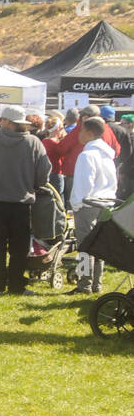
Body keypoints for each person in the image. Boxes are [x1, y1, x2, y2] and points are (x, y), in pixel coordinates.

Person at [0, 106, 52, 296]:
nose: (0, 122)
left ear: (8, 122)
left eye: (2, 119)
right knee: (19, 248)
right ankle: (16, 285)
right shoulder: (34, 142)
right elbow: (44, 171)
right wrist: (35, 186)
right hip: (22, 203)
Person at [69, 116, 120, 294]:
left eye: (82, 130)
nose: (79, 134)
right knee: (99, 245)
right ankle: (96, 284)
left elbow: (84, 185)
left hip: (88, 204)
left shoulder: (87, 155)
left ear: (89, 133)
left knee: (84, 247)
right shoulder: (107, 155)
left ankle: (84, 284)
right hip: (106, 203)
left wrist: (76, 204)